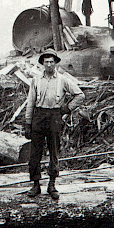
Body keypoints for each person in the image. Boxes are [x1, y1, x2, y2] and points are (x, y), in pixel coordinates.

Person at [24, 51, 84, 199]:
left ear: (55, 63)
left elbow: (80, 95)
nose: (49, 65)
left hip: (54, 118)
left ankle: (52, 184)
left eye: (51, 62)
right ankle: (36, 184)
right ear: (42, 63)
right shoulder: (36, 80)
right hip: (38, 116)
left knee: (54, 152)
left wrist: (66, 108)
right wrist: (27, 122)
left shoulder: (62, 80)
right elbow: (30, 102)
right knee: (35, 153)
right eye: (46, 62)